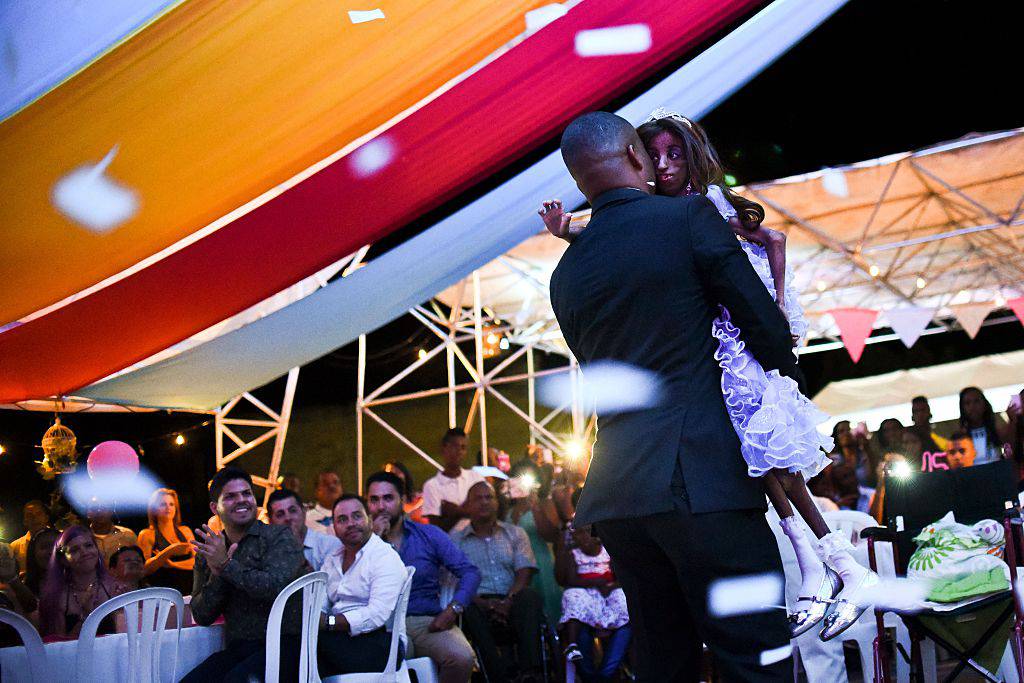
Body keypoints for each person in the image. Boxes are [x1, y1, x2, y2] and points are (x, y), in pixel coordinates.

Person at [545, 110, 875, 657]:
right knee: (753, 658)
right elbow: (766, 328)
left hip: (620, 497)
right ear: (636, 157)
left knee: (663, 661)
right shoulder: (688, 219)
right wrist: (780, 378)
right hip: (704, 486)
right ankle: (833, 567)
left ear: (578, 180)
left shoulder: (567, 272)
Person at [185, 467, 306, 682]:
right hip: (240, 649)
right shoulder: (209, 552)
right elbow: (202, 615)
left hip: (286, 645)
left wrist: (226, 566)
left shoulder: (279, 537)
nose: (242, 500)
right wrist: (217, 574)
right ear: (215, 507)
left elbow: (275, 588)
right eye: (230, 496)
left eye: (247, 493)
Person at [366, 471, 479, 683]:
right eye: (374, 500)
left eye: (388, 498)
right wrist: (373, 541)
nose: (381, 506)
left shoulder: (428, 535)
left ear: (403, 501)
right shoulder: (361, 543)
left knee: (461, 658)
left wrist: (453, 609)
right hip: (381, 625)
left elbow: (470, 572)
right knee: (389, 662)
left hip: (425, 621)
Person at [451, 481, 544, 683]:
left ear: (497, 502)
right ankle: (497, 675)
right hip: (476, 601)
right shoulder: (456, 540)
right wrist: (485, 604)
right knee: (465, 607)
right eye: (478, 498)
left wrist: (507, 601)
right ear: (467, 506)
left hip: (512, 597)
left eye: (489, 497)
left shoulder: (515, 533)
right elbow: (455, 580)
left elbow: (524, 570)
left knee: (530, 597)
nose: (485, 502)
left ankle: (530, 672)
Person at [318, 492, 407, 677]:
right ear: (334, 527)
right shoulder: (332, 559)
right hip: (338, 639)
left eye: (357, 516)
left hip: (381, 643)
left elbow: (377, 615)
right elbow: (321, 603)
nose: (350, 523)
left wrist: (329, 622)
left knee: (303, 650)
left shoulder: (384, 557)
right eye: (342, 519)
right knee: (297, 646)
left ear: (370, 519)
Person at [555, 523, 631, 683]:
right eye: (578, 533)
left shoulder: (608, 550)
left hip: (609, 598)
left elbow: (622, 578)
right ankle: (583, 664)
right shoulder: (573, 554)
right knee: (573, 597)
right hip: (586, 601)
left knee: (624, 602)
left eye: (588, 532)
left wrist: (609, 586)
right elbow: (567, 580)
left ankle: (606, 673)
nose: (584, 537)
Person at [38, 525, 123, 639]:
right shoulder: (57, 597)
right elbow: (58, 647)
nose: (84, 552)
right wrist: (86, 616)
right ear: (63, 560)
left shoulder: (114, 588)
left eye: (88, 546)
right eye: (74, 550)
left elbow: (125, 637)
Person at [507, 461, 563, 625]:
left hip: (540, 561)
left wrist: (535, 507)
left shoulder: (544, 504)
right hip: (514, 565)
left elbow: (552, 535)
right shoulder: (506, 509)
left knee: (548, 609)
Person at [422, 428, 486, 531]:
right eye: (455, 446)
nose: (459, 451)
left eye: (463, 447)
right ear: (444, 448)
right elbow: (437, 528)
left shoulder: (475, 478)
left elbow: (485, 512)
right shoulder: (432, 486)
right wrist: (466, 508)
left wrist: (455, 511)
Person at [267, 487, 341, 571]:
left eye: (292, 510)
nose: (288, 518)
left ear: (304, 512)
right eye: (280, 514)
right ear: (270, 522)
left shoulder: (330, 545)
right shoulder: (266, 554)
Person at [138, 487, 195, 594]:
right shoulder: (147, 534)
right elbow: (143, 570)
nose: (168, 507)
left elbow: (197, 562)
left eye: (171, 504)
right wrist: (169, 551)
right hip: (162, 594)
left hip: (188, 591)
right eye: (163, 504)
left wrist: (172, 565)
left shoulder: (185, 531)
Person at [959, 387, 1010, 465]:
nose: (972, 406)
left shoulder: (996, 431)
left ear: (984, 404)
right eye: (967, 403)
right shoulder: (960, 437)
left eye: (976, 401)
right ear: (962, 408)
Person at [86, 500, 138, 565]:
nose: (99, 511)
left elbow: (139, 564)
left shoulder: (127, 535)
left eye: (103, 507)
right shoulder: (82, 538)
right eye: (94, 508)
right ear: (87, 513)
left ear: (111, 510)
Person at [10, 500, 50, 573]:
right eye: (29, 515)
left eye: (39, 514)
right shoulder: (15, 546)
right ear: (25, 521)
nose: (35, 518)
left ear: (46, 518)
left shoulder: (60, 540)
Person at [23, 526, 59, 595]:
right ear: (33, 552)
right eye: (44, 547)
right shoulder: (24, 590)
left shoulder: (77, 582)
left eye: (56, 546)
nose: (51, 552)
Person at [306, 469, 343, 534]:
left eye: (336, 482)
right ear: (316, 491)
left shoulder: (349, 518)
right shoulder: (306, 520)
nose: (332, 486)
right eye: (326, 484)